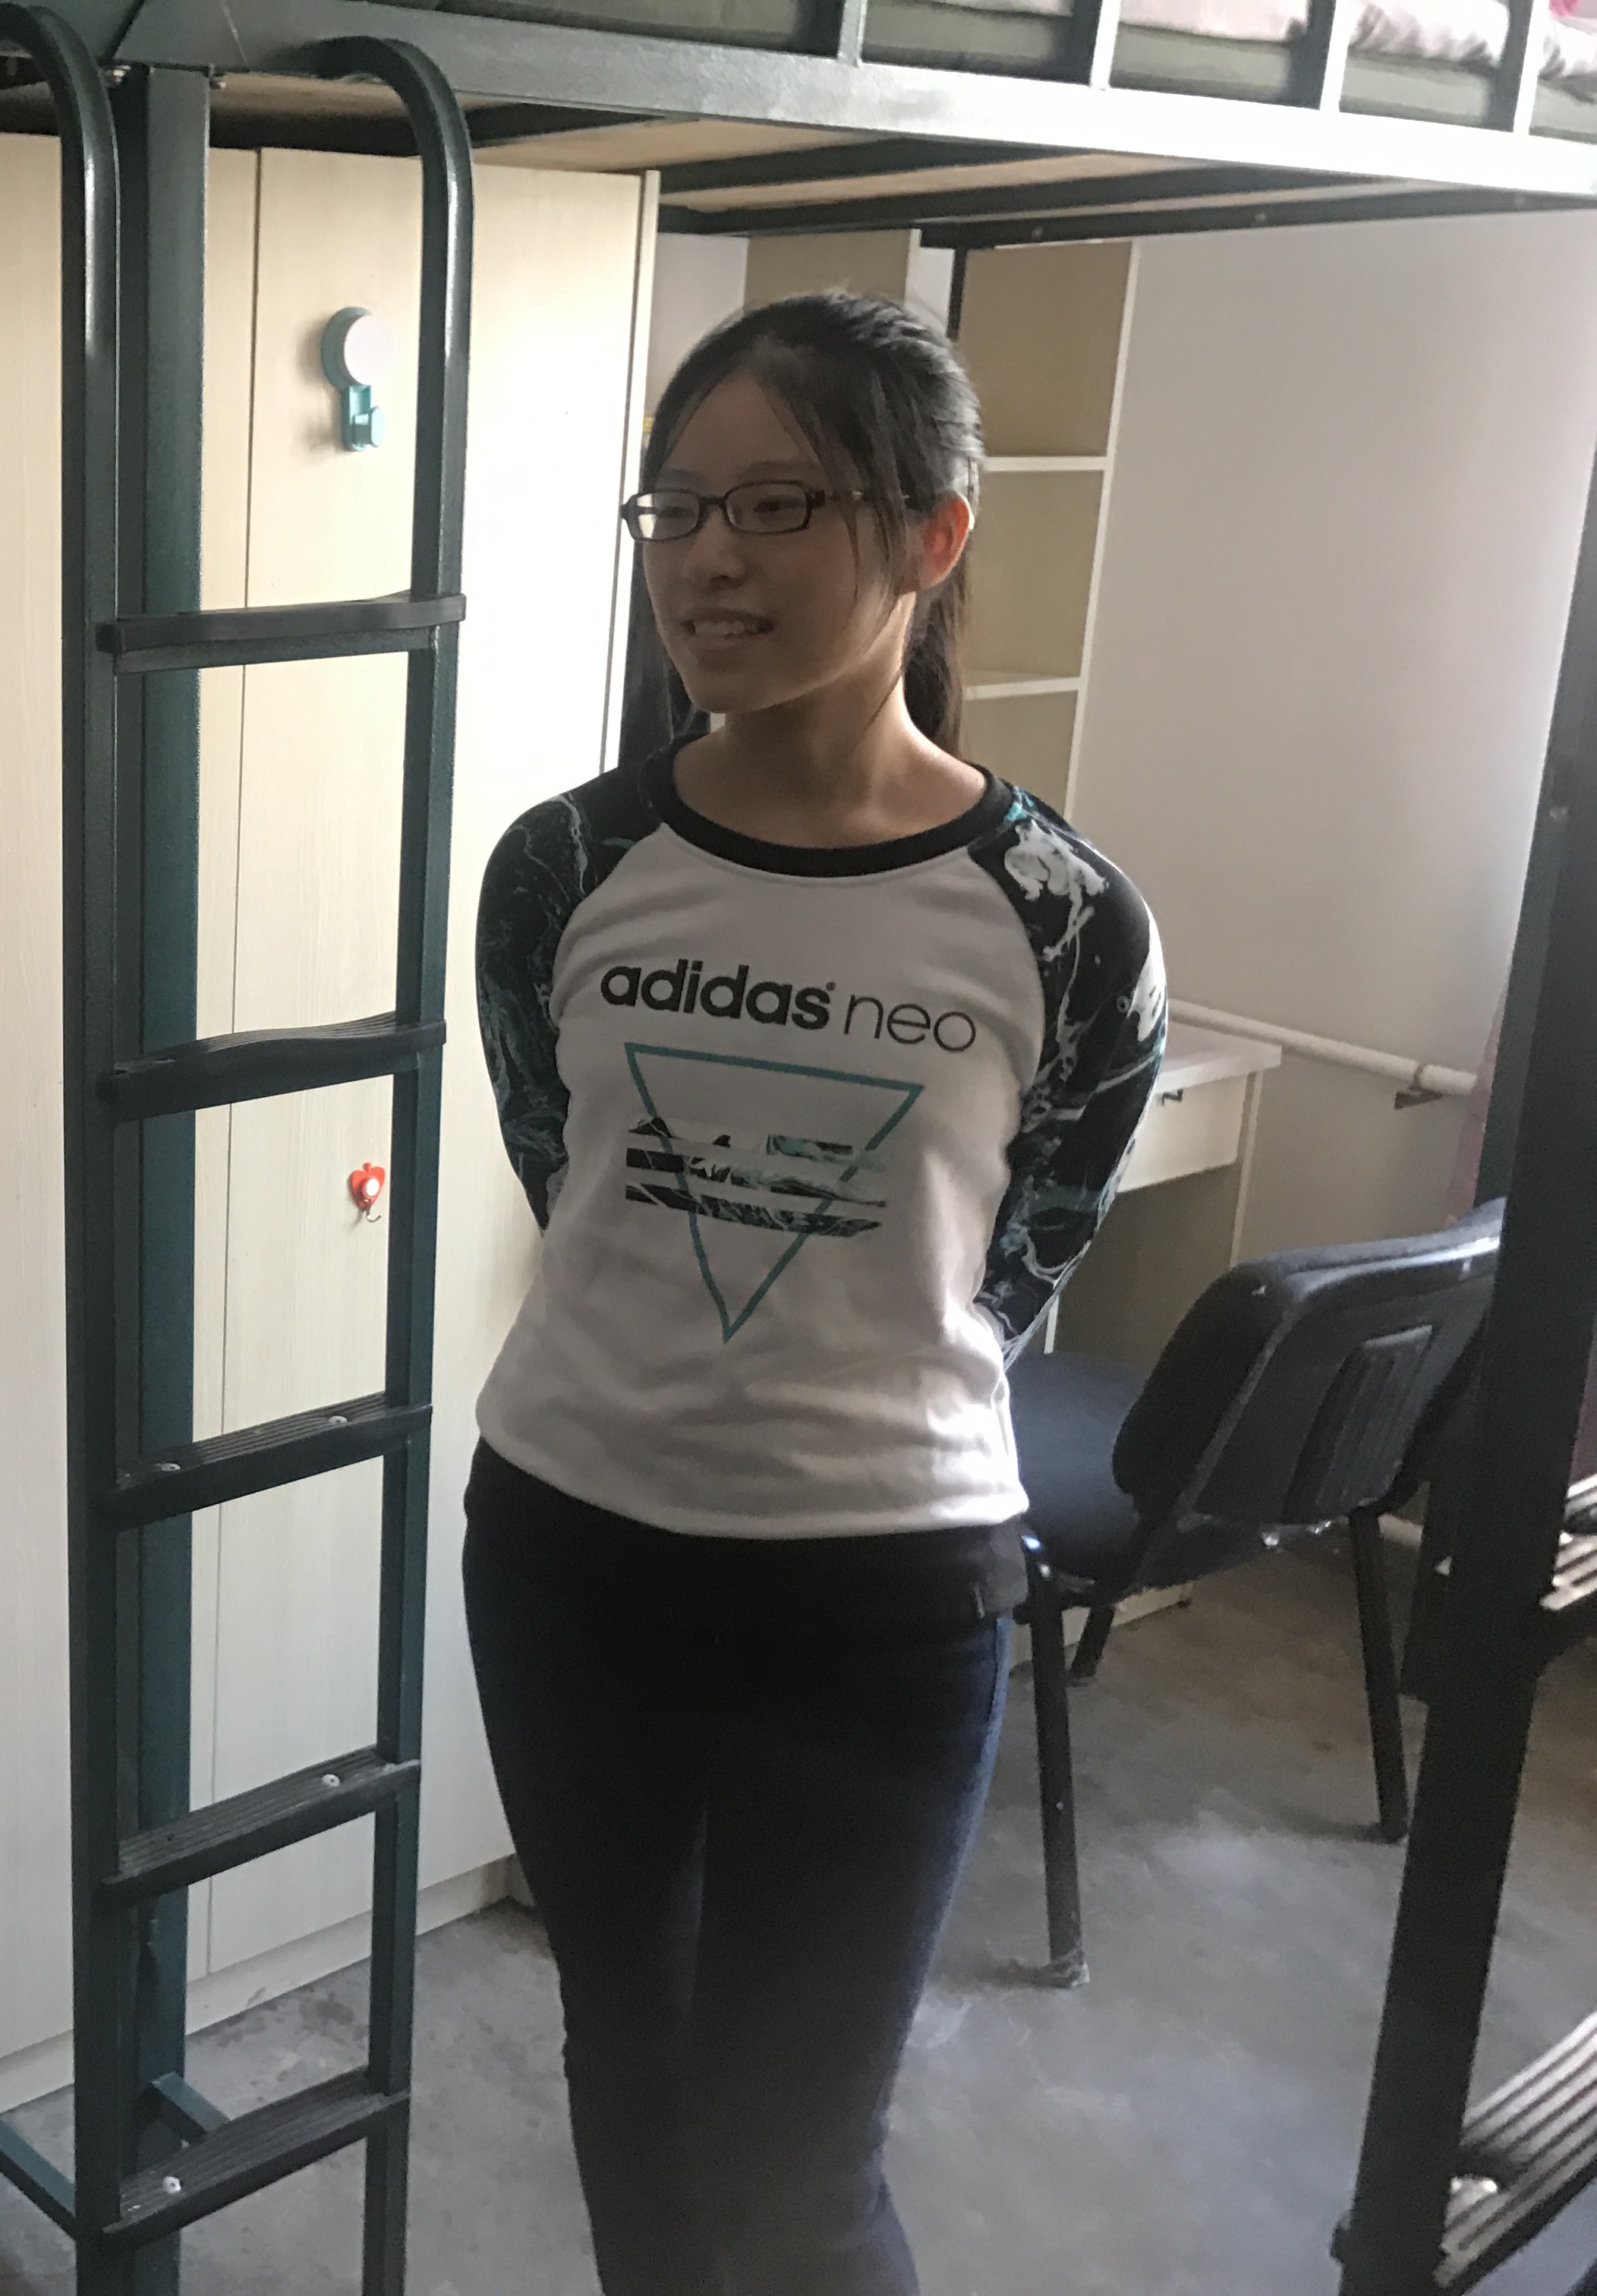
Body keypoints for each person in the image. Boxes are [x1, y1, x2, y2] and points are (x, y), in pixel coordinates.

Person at [465, 290, 1165, 2296]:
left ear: (933, 532)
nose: (709, 558)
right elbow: (569, 1177)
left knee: (796, 2152)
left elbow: (1021, 1255)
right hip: (571, 1554)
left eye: (775, 504)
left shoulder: (1066, 921)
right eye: (675, 507)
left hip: (881, 1595)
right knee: (631, 2065)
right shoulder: (563, 868)